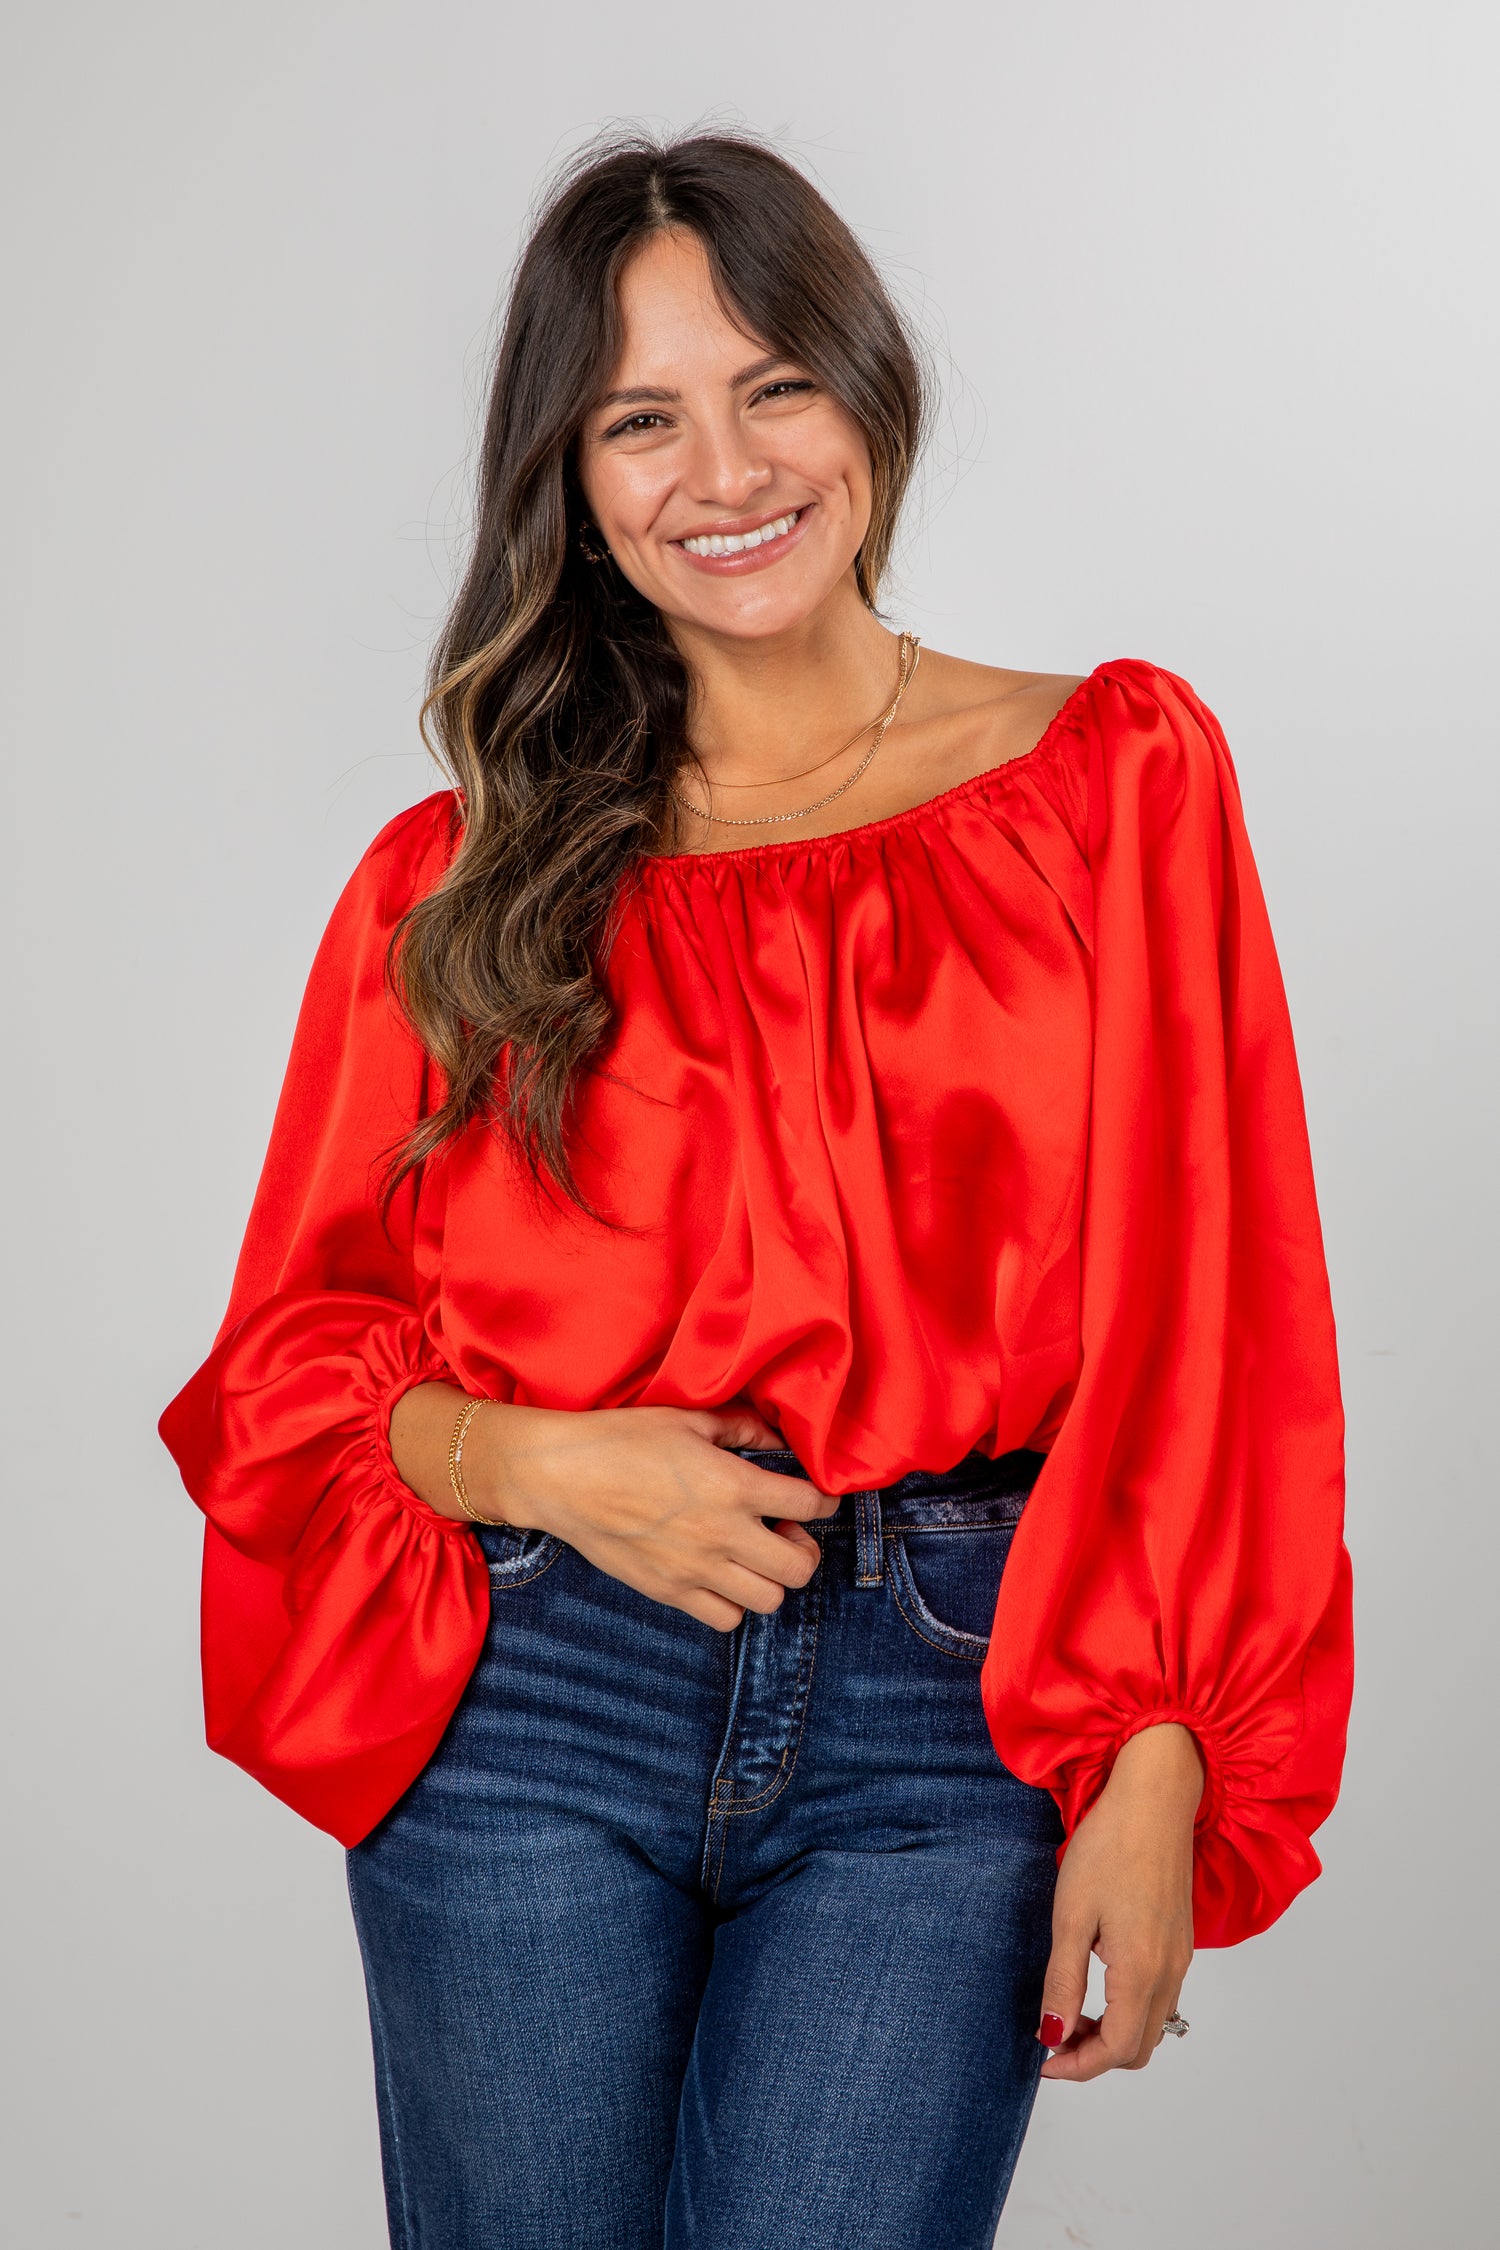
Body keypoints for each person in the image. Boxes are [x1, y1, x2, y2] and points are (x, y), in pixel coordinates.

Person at [159, 130, 1353, 2250]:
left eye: (773, 384)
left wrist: (1162, 1747)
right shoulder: (457, 890)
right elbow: (288, 1374)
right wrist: (544, 1462)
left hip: (957, 1708)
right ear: (571, 480)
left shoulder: (1113, 783)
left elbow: (1216, 1311)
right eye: (642, 420)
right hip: (538, 1686)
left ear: (867, 390)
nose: (724, 471)